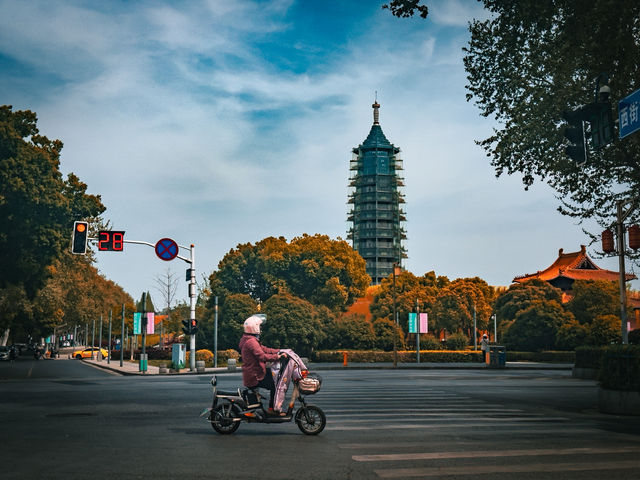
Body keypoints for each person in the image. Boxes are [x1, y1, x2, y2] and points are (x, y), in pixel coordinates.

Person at [238, 315, 287, 416]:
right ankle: (272, 409)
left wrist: (279, 351)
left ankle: (271, 408)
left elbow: (264, 349)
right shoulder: (251, 342)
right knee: (275, 385)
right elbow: (262, 356)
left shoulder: (249, 339)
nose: (260, 329)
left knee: (274, 377)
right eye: (259, 326)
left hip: (255, 372)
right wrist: (278, 357)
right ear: (254, 327)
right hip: (255, 375)